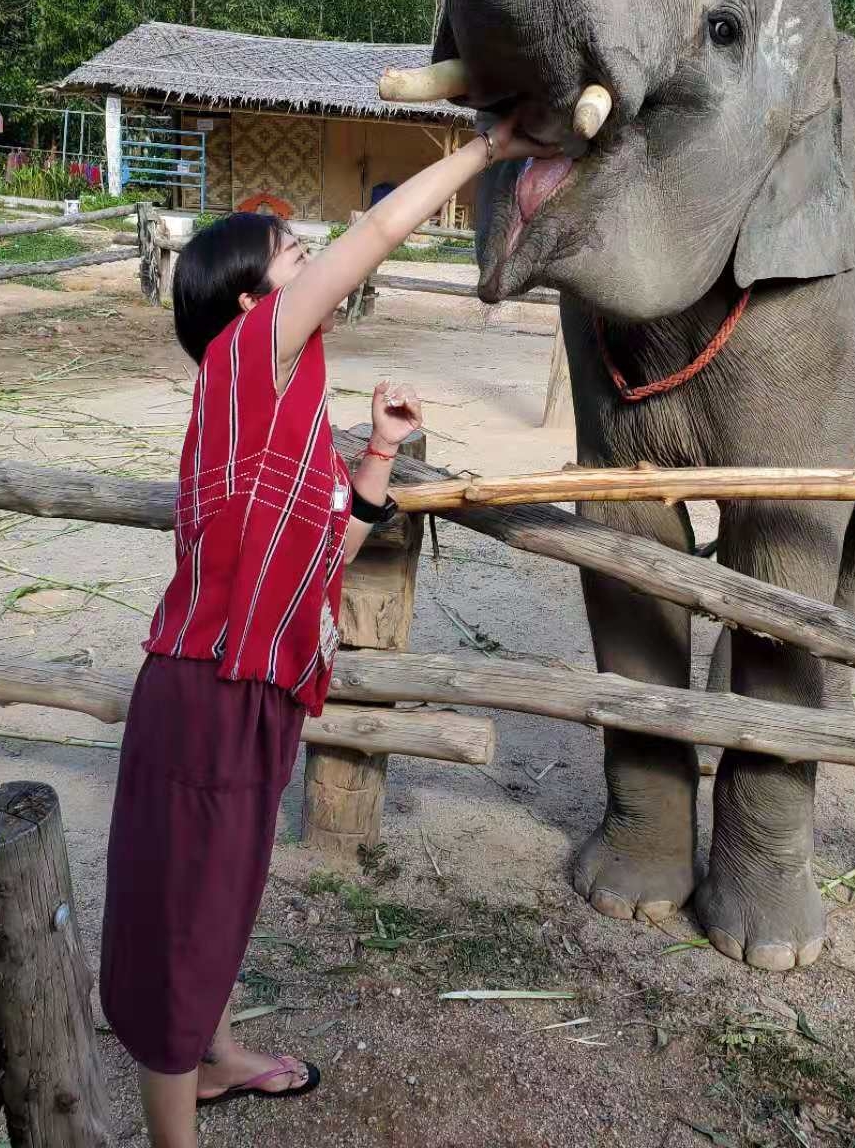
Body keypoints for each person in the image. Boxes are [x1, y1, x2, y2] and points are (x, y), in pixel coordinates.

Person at [100, 113, 551, 1148]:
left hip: (253, 689)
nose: (317, 263)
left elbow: (320, 563)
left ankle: (214, 1057)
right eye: (296, 258)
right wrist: (489, 151)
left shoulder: (285, 403)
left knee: (223, 891)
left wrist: (381, 458)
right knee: (184, 914)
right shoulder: (247, 355)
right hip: (208, 692)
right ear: (257, 299)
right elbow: (376, 236)